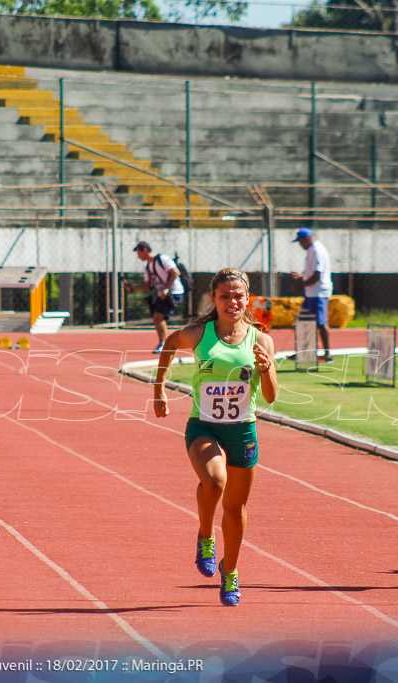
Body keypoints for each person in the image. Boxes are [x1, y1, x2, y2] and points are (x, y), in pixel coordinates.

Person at [153, 268, 279, 606]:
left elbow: (270, 397)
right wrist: (159, 389)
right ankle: (206, 535)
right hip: (203, 425)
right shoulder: (198, 334)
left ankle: (231, 570)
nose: (232, 302)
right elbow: (168, 343)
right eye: (225, 296)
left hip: (243, 429)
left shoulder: (261, 340)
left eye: (238, 295)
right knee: (214, 482)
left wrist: (266, 369)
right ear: (214, 299)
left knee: (236, 508)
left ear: (247, 298)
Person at [126, 241, 184, 353]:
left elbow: (175, 272)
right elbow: (147, 287)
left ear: (145, 250)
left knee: (158, 317)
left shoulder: (163, 259)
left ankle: (164, 344)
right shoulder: (148, 267)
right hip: (162, 295)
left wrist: (166, 289)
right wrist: (133, 288)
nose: (138, 257)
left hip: (174, 293)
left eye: (139, 253)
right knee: (157, 318)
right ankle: (166, 343)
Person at [289, 227, 333, 362]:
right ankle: (303, 351)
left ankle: (327, 354)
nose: (300, 244)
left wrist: (300, 285)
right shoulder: (312, 250)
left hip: (318, 293)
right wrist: (302, 275)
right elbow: (312, 272)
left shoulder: (316, 250)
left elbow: (317, 274)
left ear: (307, 239)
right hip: (312, 293)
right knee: (304, 321)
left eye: (301, 241)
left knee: (320, 322)